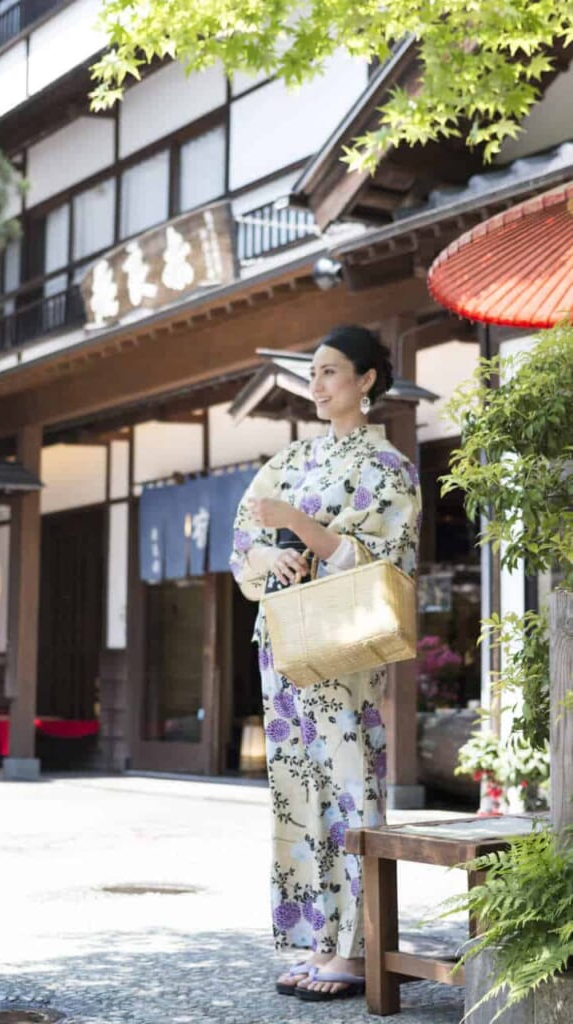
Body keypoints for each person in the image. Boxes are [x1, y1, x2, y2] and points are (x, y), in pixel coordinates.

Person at [229, 324, 421, 1001]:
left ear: (366, 380)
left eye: (331, 371)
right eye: (312, 373)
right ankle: (316, 941)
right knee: (295, 788)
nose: (317, 384)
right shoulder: (292, 459)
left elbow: (386, 565)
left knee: (347, 781)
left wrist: (299, 526)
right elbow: (243, 547)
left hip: (342, 644)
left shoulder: (388, 467)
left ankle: (356, 948)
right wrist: (269, 556)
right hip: (284, 637)